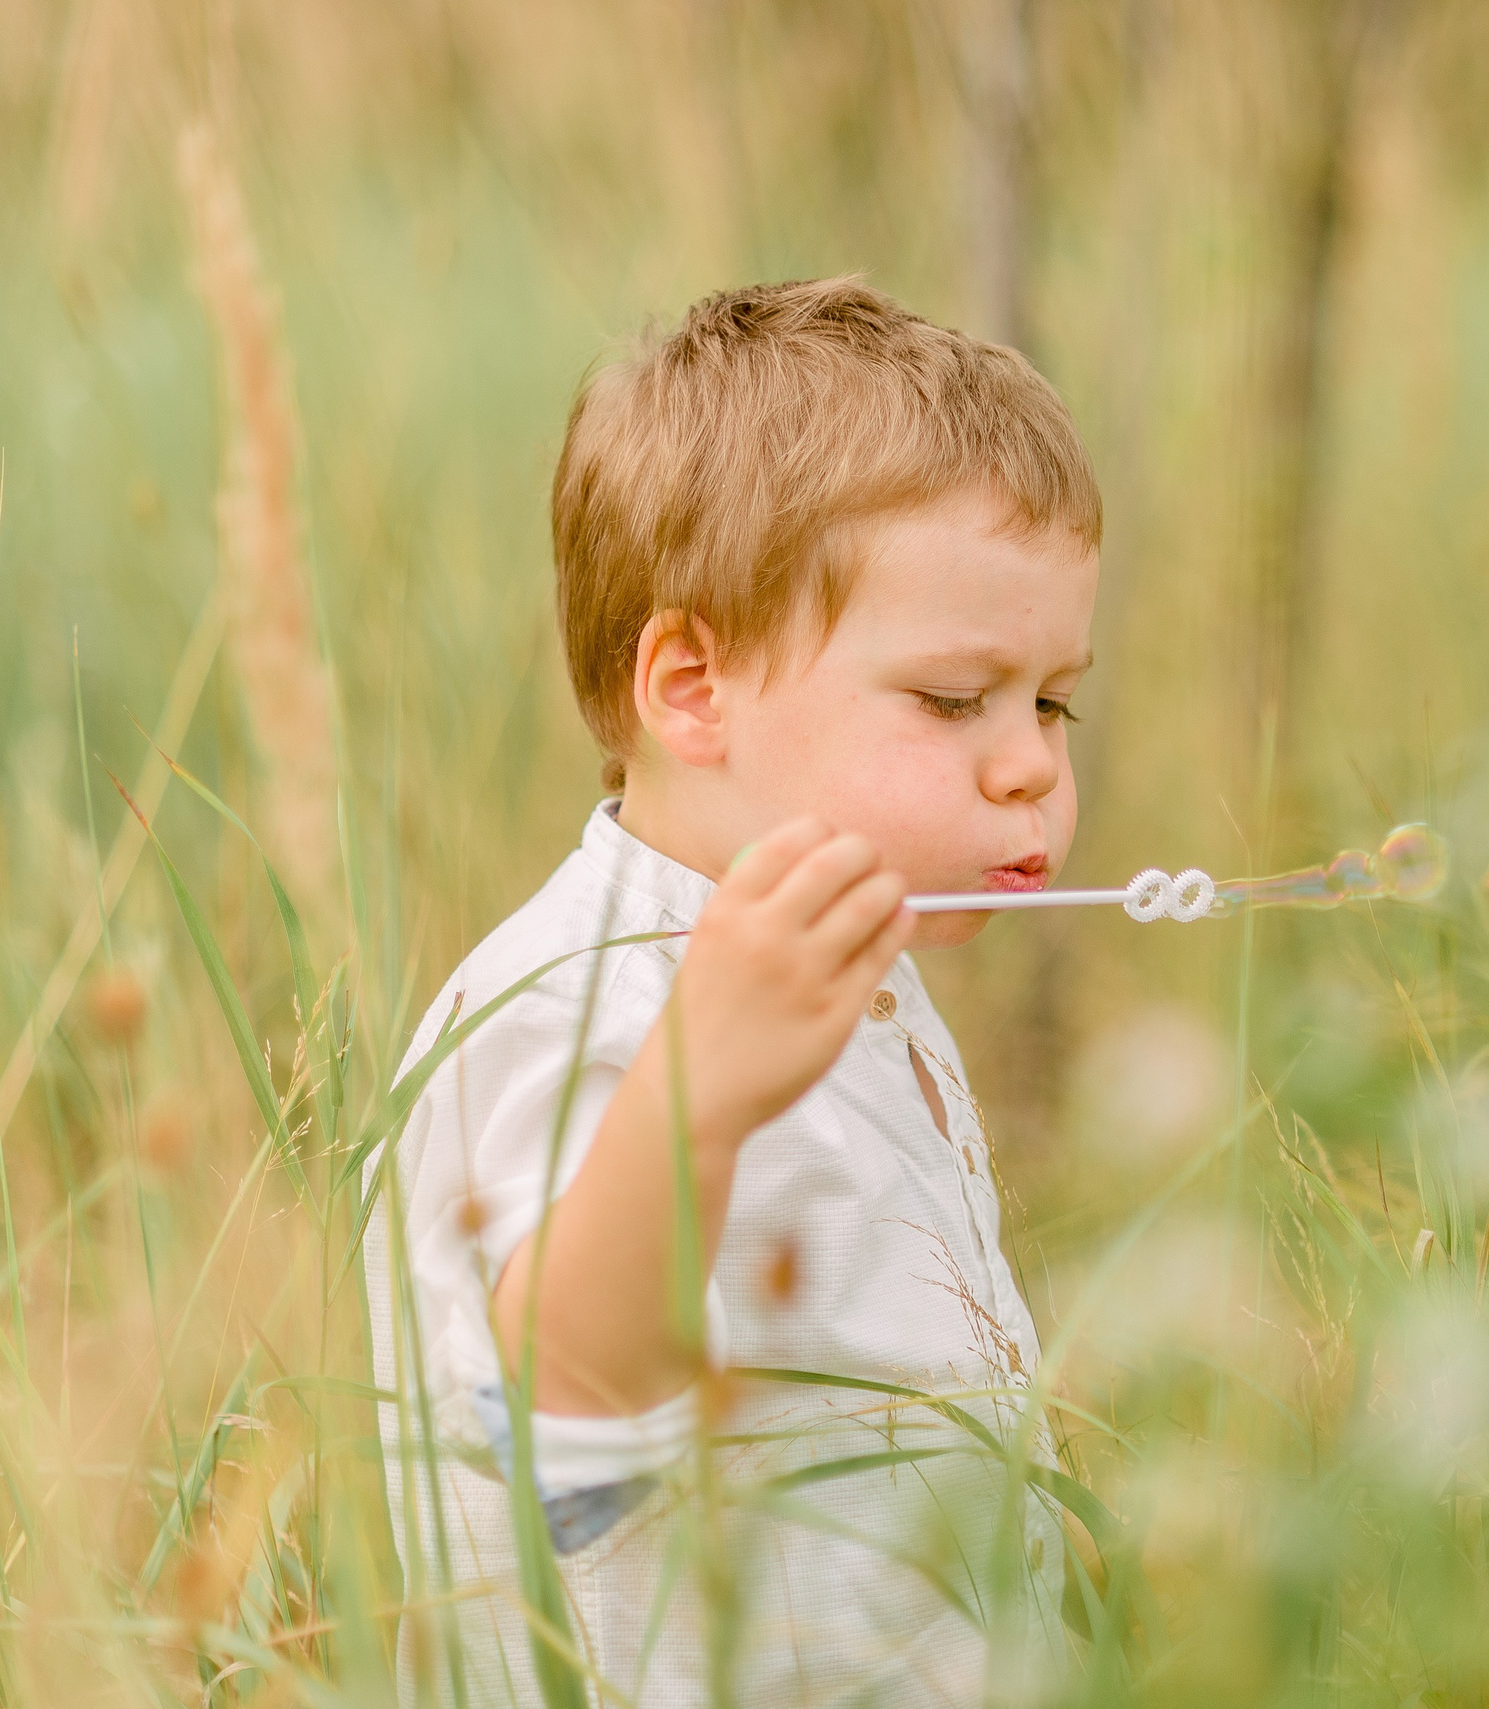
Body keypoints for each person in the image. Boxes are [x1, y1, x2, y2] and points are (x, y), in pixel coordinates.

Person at [362, 276, 1103, 1705]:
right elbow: (556, 1404)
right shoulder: (579, 1002)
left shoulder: (855, 962)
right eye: (957, 700)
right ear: (693, 686)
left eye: (1054, 700)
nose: (1029, 765)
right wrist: (695, 1093)